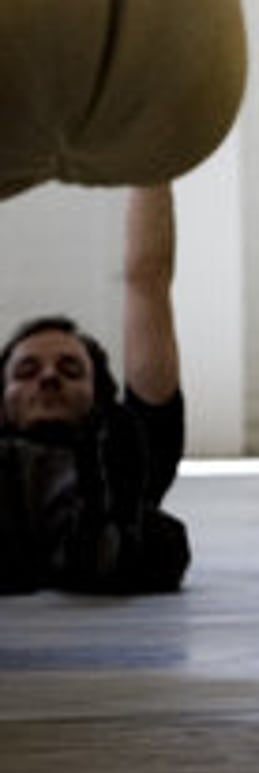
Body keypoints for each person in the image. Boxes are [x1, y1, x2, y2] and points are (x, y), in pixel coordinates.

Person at [1, 182, 190, 595]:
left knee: (159, 535)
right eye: (27, 370)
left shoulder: (128, 445)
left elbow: (147, 280)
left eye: (70, 369)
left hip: (111, 524)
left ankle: (102, 537)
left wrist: (151, 167)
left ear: (98, 395)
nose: (48, 378)